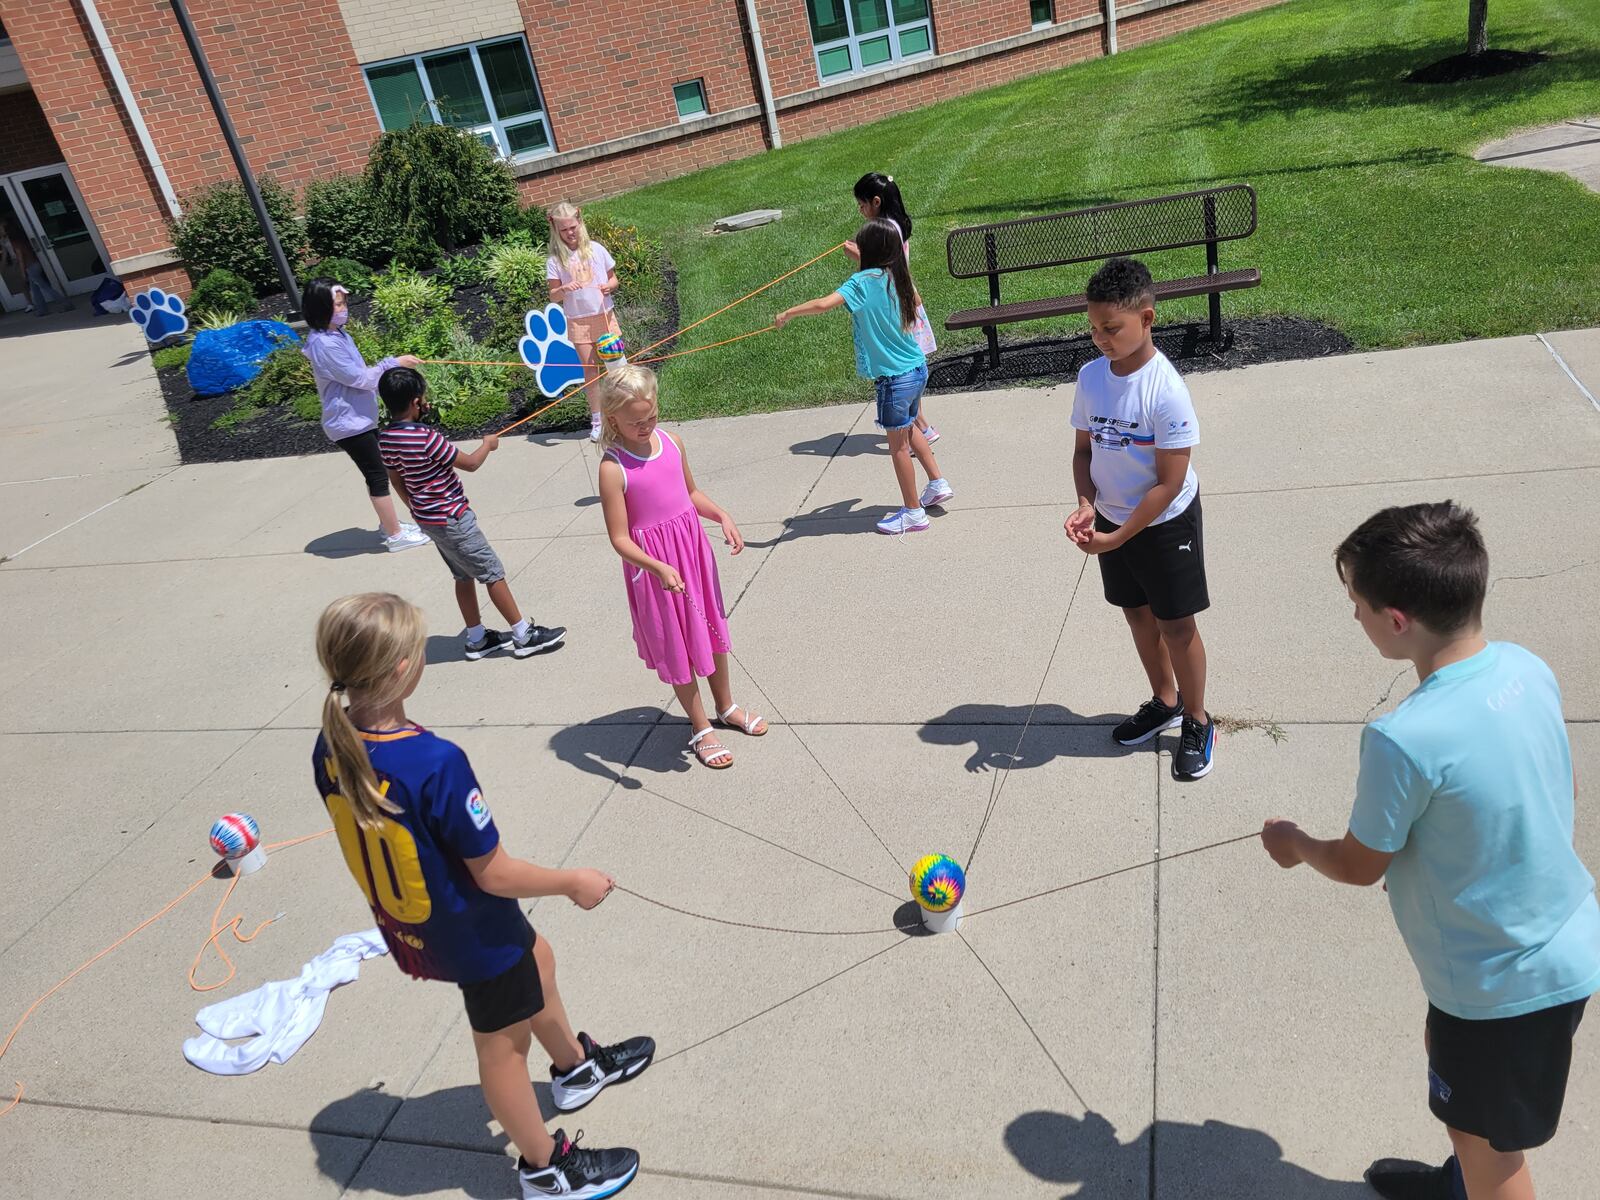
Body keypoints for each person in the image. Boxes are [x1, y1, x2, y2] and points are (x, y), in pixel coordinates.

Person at [1261, 502, 1599, 1200]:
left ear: (1396, 621)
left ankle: (1472, 1175)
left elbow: (1358, 866)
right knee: (1454, 1077)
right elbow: (1516, 792)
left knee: (1494, 1153)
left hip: (1500, 981)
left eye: (1355, 602)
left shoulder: (1401, 738)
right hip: (1560, 937)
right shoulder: (1525, 668)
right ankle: (1460, 1177)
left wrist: (1295, 844)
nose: (1352, 615)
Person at [312, 592, 651, 1199]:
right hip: (473, 932)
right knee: (501, 1049)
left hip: (424, 921)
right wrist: (572, 881)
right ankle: (546, 1167)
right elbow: (493, 873)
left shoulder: (332, 746)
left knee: (540, 957)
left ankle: (575, 1068)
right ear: (400, 671)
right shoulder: (434, 762)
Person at [1064, 256, 1215, 780]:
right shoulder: (1090, 377)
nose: (1101, 339)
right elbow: (1084, 453)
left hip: (1163, 520)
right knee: (1136, 614)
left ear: (1147, 319)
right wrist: (1087, 505)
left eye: (1112, 328)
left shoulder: (1166, 391)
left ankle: (1197, 718)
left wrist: (1115, 537)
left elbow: (1168, 483)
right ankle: (1165, 700)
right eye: (1094, 329)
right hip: (1111, 518)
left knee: (1176, 625)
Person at [595, 365, 765, 769]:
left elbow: (690, 493)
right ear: (612, 418)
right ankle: (700, 726)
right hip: (655, 570)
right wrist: (656, 566)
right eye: (636, 421)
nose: (646, 425)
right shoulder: (612, 468)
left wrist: (721, 515)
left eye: (651, 416)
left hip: (692, 555)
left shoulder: (672, 442)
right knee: (677, 643)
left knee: (711, 630)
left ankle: (725, 705)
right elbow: (619, 538)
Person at [775, 218, 953, 537]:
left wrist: (788, 313)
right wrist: (865, 260)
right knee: (912, 428)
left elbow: (822, 304)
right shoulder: (898, 277)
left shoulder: (859, 284)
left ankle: (913, 513)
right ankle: (937, 483)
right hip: (916, 369)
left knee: (898, 447)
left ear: (867, 251)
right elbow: (916, 300)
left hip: (893, 380)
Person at [377, 367, 566, 661]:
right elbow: (470, 463)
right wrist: (487, 446)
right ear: (416, 402)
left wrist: (415, 508)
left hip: (429, 520)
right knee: (492, 573)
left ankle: (477, 638)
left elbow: (397, 480)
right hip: (454, 518)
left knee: (462, 576)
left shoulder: (387, 438)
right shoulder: (427, 437)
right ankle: (523, 634)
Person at [300, 277, 429, 553]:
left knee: (380, 471)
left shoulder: (337, 335)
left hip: (358, 419)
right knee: (378, 474)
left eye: (344, 302)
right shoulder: (325, 345)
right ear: (320, 307)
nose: (343, 308)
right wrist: (393, 363)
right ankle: (394, 535)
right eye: (337, 304)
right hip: (348, 424)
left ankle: (389, 524)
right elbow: (360, 379)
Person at [843, 172, 937, 443]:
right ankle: (923, 430)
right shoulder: (893, 226)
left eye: (861, 205)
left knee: (903, 371)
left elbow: (886, 271)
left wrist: (859, 256)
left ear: (876, 201)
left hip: (899, 307)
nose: (860, 210)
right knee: (908, 372)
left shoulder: (887, 231)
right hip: (901, 302)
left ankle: (919, 433)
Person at [546, 202, 621, 443]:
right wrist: (564, 289)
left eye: (573, 227)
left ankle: (622, 413)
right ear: (556, 231)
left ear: (580, 223)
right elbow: (553, 295)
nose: (570, 233)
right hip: (578, 320)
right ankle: (598, 420)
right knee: (591, 371)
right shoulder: (556, 260)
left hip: (603, 315)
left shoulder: (596, 249)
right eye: (564, 230)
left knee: (616, 367)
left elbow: (613, 279)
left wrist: (609, 287)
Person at [2, 222, 70, 317]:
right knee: (35, 289)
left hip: (30, 267)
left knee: (44, 287)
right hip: (35, 264)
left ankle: (66, 304)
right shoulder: (21, 240)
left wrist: (23, 273)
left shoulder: (15, 243)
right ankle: (42, 310)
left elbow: (21, 259)